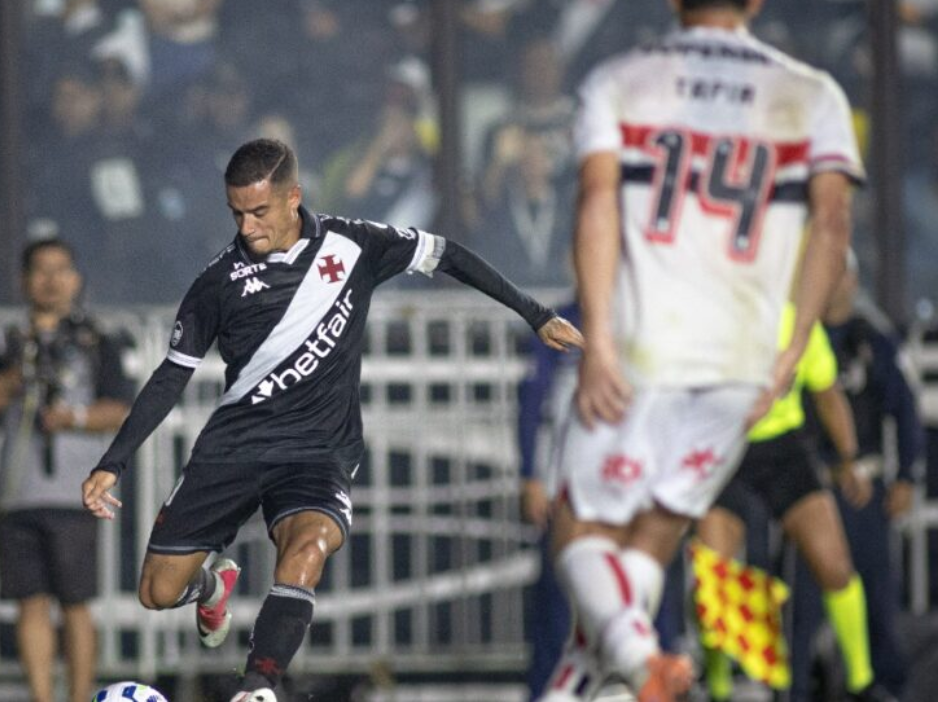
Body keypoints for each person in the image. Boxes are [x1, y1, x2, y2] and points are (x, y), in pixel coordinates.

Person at [80, 138, 583, 702]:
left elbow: (449, 254)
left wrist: (535, 315)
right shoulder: (216, 283)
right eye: (237, 214)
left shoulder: (354, 243)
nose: (247, 228)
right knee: (156, 591)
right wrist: (113, 462)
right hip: (233, 449)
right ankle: (210, 585)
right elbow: (170, 377)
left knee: (308, 548)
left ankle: (259, 687)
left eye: (260, 212)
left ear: (293, 197)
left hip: (317, 451)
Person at [543, 0, 862, 699]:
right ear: (754, 2)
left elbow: (597, 203)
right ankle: (609, 678)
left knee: (579, 526)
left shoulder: (623, 79)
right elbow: (834, 224)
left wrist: (598, 337)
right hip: (742, 363)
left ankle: (635, 659)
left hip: (645, 345)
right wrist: (794, 344)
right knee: (653, 533)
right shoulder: (811, 93)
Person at [696, 299, 896, 702]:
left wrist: (849, 459)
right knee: (713, 578)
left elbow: (827, 393)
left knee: (835, 565)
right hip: (722, 450)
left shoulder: (794, 319)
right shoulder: (705, 318)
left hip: (785, 452)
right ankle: (717, 687)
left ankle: (861, 682)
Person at [785, 256, 925, 701]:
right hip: (808, 487)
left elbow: (906, 412)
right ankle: (795, 688)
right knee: (801, 605)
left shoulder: (874, 342)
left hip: (862, 489)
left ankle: (881, 686)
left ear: (852, 278)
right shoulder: (796, 337)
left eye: (837, 273)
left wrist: (907, 476)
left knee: (874, 596)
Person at [0, 239, 133, 702]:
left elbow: (120, 409)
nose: (52, 281)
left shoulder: (96, 340)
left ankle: (79, 697)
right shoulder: (11, 342)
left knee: (75, 602)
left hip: (75, 491)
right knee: (29, 601)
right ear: (24, 280)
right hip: (19, 490)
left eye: (61, 270)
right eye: (40, 270)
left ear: (76, 279)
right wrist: (16, 378)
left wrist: (72, 418)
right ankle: (42, 697)